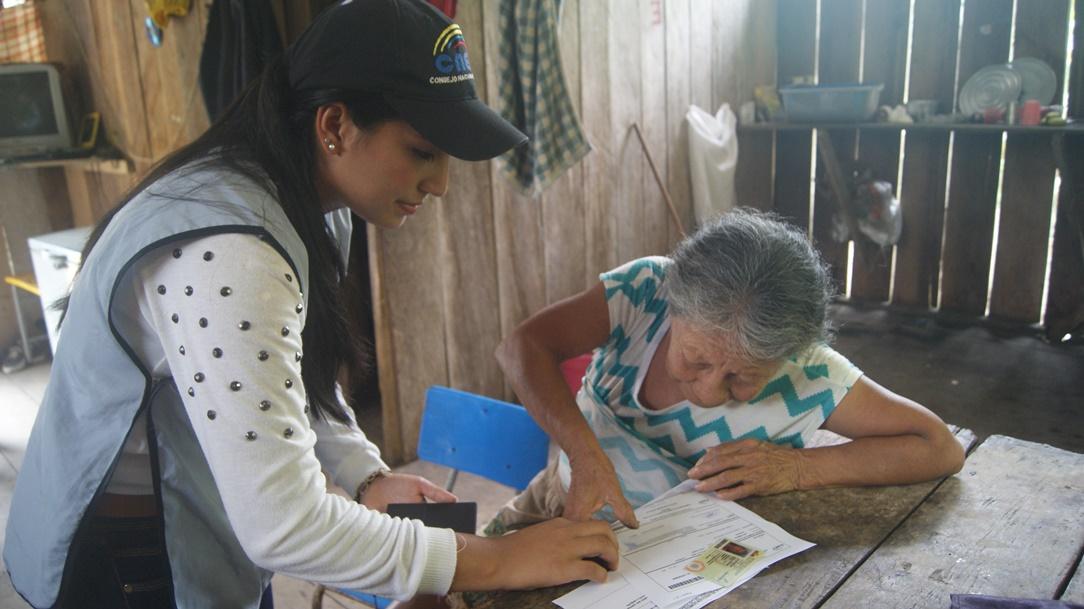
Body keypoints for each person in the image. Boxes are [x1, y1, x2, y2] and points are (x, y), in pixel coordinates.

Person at [2, 1, 618, 608]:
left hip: (207, 514)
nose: (441, 184)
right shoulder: (230, 254)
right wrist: (496, 560)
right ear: (334, 127)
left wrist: (365, 474)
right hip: (134, 556)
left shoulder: (309, 206)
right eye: (423, 152)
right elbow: (283, 525)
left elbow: (289, 377)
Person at [487, 209, 966, 535]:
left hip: (675, 557)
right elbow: (523, 347)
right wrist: (585, 455)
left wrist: (799, 468)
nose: (711, 394)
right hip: (559, 495)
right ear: (671, 304)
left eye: (743, 378)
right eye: (695, 362)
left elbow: (937, 447)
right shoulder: (646, 289)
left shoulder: (809, 371)